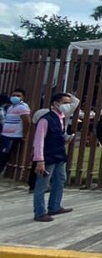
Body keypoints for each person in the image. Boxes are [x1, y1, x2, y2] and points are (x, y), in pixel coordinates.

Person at [31, 93, 75, 222]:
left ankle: (54, 206)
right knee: (42, 184)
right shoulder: (45, 119)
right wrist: (40, 160)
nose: (67, 106)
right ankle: (39, 212)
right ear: (55, 104)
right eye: (65, 103)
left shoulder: (61, 118)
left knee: (60, 179)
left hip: (59, 154)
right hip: (48, 156)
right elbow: (38, 140)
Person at [1, 88, 31, 176]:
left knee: (3, 155)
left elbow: (27, 122)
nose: (15, 97)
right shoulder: (11, 107)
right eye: (13, 95)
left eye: (18, 96)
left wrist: (24, 135)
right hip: (5, 134)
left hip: (13, 136)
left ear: (23, 97)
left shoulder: (22, 107)